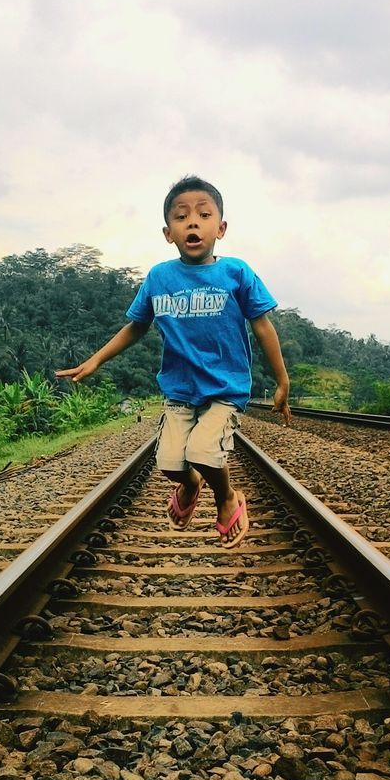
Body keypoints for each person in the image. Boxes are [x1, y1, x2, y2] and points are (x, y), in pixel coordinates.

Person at [55, 175, 291, 550]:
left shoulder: (237, 273)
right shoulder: (159, 277)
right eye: (181, 217)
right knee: (169, 464)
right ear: (169, 233)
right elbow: (136, 326)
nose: (192, 222)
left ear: (221, 228)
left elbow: (263, 327)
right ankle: (193, 484)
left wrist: (282, 381)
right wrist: (95, 360)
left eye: (203, 214)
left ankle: (227, 498)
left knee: (203, 451)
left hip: (224, 388)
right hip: (179, 389)